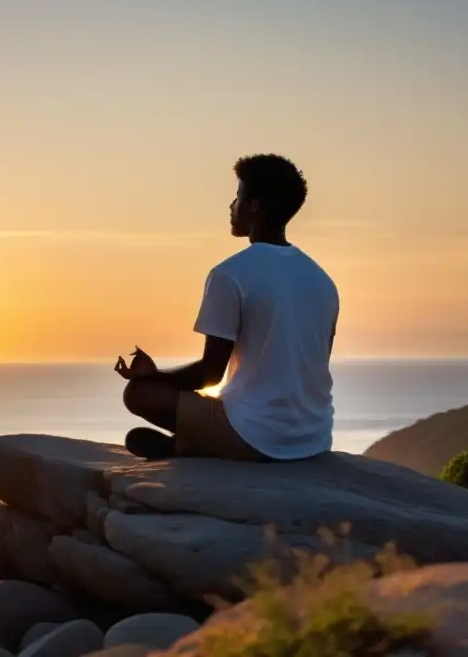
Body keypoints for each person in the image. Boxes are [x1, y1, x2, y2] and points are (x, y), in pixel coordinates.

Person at [114, 153, 339, 461]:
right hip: (313, 438)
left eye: (238, 197)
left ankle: (196, 447)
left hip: (254, 436)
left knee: (139, 395)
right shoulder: (323, 281)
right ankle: (192, 443)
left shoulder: (230, 274)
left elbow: (209, 375)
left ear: (254, 207)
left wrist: (153, 375)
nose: (231, 206)